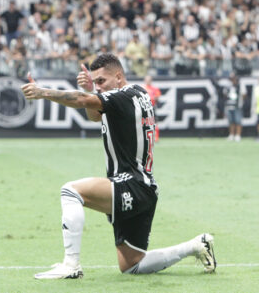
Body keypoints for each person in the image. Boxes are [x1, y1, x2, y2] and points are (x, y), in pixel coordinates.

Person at [21, 53, 216, 280]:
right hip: (145, 188)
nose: (99, 87)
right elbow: (95, 115)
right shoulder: (138, 93)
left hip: (130, 183)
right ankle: (195, 246)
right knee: (132, 265)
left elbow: (84, 102)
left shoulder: (121, 97)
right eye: (95, 83)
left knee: (71, 191)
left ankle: (71, 265)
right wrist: (92, 91)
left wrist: (43, 92)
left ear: (119, 76)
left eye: (102, 81)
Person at [223, 73, 246, 142]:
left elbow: (244, 94)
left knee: (238, 121)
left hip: (237, 106)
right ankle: (231, 135)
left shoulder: (240, 85)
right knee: (231, 121)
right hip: (229, 106)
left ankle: (238, 135)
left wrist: (240, 101)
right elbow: (224, 94)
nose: (232, 80)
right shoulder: (228, 86)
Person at [143, 75, 161, 142]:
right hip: (144, 108)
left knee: (155, 122)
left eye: (149, 80)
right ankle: (145, 137)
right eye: (146, 80)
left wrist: (152, 98)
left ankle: (156, 137)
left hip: (152, 107)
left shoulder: (155, 89)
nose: (148, 81)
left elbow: (157, 97)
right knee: (144, 122)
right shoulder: (142, 88)